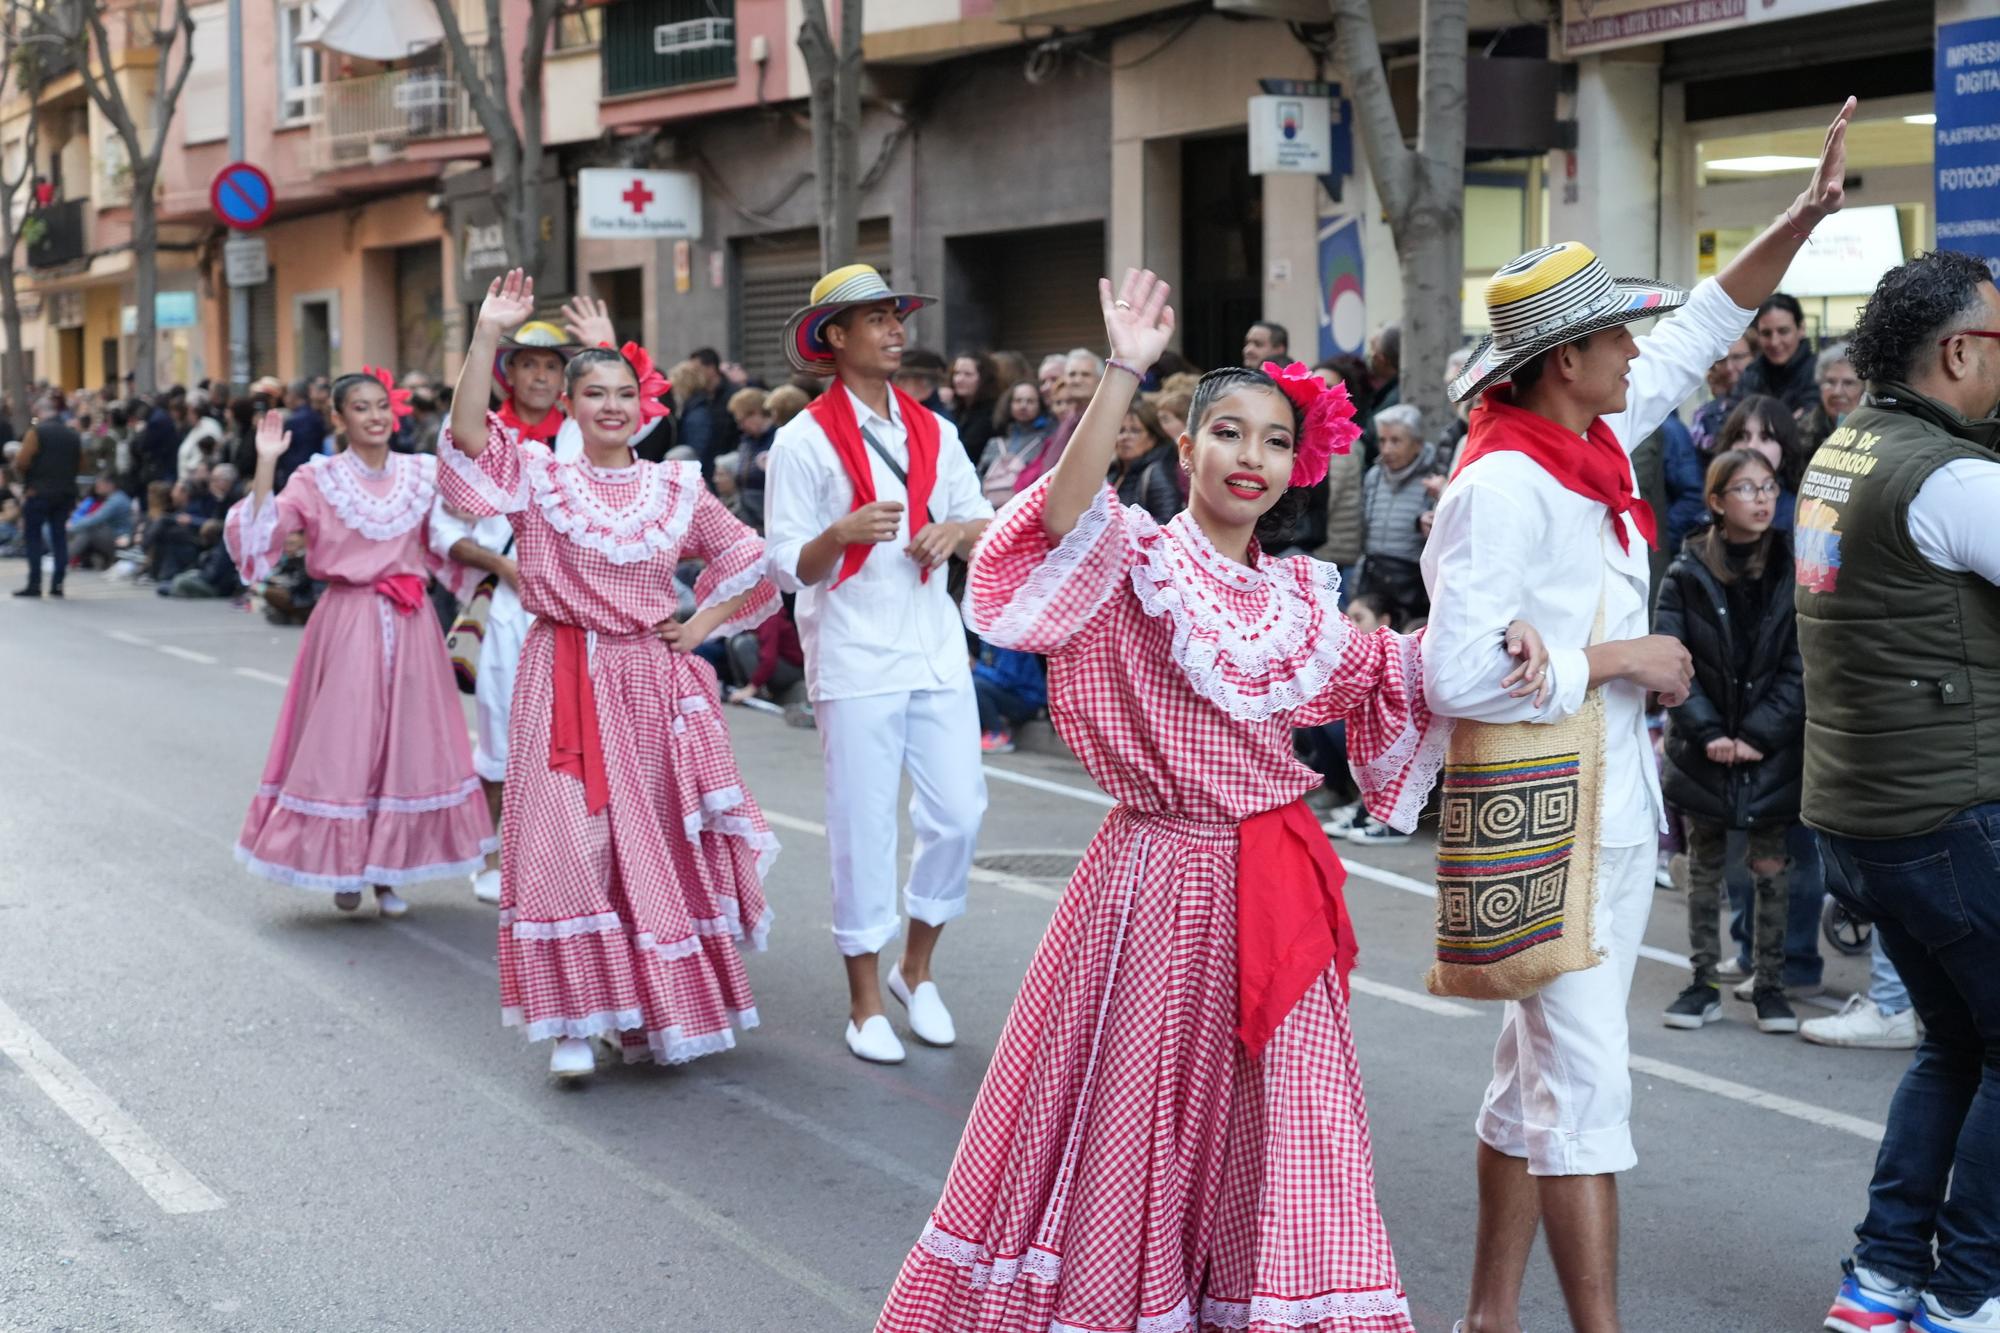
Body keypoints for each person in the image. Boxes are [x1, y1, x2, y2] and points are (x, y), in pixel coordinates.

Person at [880, 270, 1547, 1333]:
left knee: (1287, 1127)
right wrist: (1124, 369)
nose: (1251, 456)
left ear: (1298, 464)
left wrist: (1511, 637)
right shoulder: (1132, 562)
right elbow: (1054, 517)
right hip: (1151, 886)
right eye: (1226, 434)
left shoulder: (1297, 602)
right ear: (1183, 452)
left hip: (1273, 889)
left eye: (1274, 440)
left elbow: (1398, 677)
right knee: (1133, 1122)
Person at [1421, 97, 1852, 1333]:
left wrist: (1805, 213)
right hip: (1542, 813)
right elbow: (1450, 673)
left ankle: (1489, 1317)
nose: (1635, 349)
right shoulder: (1503, 483)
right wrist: (1617, 654)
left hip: (1600, 808)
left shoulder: (1587, 438)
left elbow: (1710, 322)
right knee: (1583, 1091)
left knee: (1536, 1082)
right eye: (1616, 333)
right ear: (1565, 358)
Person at [442, 269, 780, 1081]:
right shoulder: (539, 475)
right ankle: (570, 1021)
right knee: (565, 841)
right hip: (561, 675)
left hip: (649, 682)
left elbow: (747, 557)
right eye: (592, 392)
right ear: (568, 404)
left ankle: (652, 1013)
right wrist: (487, 334)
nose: (610, 406)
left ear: (645, 403)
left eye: (624, 392)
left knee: (649, 847)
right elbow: (463, 448)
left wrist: (697, 625)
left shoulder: (675, 486)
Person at [1793, 247, 2000, 1333]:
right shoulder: (1950, 479)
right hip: (1949, 803)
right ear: (1960, 349)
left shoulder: (1846, 445)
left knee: (1954, 1044)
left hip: (1865, 806)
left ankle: (1876, 1280)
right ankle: (1964, 1293)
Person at [764, 263, 994, 1066]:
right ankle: (864, 1001)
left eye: (898, 316)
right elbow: (788, 563)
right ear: (834, 337)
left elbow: (982, 515)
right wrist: (843, 533)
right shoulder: (798, 442)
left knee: (959, 813)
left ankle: (914, 969)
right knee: (864, 826)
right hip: (855, 651)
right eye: (877, 319)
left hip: (933, 643)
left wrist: (953, 533)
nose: (897, 329)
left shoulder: (934, 429)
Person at [224, 371, 494, 916]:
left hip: (412, 621)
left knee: (406, 746)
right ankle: (343, 867)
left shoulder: (422, 473)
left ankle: (388, 876)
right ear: (339, 418)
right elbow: (262, 533)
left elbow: (460, 521)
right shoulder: (318, 477)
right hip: (347, 620)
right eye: (361, 408)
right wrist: (266, 463)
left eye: (381, 407)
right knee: (345, 743)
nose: (375, 417)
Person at [1655, 448, 1805, 1035]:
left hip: (1772, 747)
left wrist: (1760, 734)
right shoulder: (1687, 570)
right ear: (1716, 501)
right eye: (1746, 489)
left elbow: (1802, 663)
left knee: (1771, 865)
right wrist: (1711, 732)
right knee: (1704, 868)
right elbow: (1672, 656)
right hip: (1704, 748)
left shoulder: (1793, 564)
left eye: (1769, 486)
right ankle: (1702, 982)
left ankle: (1770, 985)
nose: (1763, 499)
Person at [1356, 402, 1441, 625]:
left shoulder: (1434, 479)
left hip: (1412, 581)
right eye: (1382, 440)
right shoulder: (1374, 476)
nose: (1386, 449)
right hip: (1375, 574)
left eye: (1395, 441)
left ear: (1417, 444)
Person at [10, 403, 83, 598]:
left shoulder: (36, 432)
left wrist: (27, 478)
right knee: (59, 537)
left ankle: (35, 583)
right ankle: (57, 584)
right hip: (65, 493)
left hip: (38, 492)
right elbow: (80, 464)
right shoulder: (73, 435)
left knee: (33, 538)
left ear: (40, 414)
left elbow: (22, 461)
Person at [1716, 394, 1804, 530]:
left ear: (1785, 448)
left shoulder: (1801, 519)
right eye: (1742, 437)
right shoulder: (1711, 512)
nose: (1752, 446)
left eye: (1766, 437)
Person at [1738, 292, 1820, 413]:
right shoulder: (1751, 374)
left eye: (1783, 331)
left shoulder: (1821, 374)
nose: (1774, 342)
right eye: (1766, 333)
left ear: (1801, 329)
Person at [1106, 393, 1180, 523]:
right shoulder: (1112, 471)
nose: (1125, 437)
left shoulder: (1157, 473)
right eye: (1121, 430)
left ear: (1153, 437)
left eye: (1135, 431)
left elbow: (1168, 525)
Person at [977, 380, 1050, 508]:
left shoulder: (1045, 441)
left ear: (1040, 405)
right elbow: (979, 475)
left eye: (1030, 401)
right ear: (1009, 404)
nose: (1023, 406)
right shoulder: (995, 443)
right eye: (1018, 400)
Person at [970, 642, 1044, 754]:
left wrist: (976, 666)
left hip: (1027, 701)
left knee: (977, 685)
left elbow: (1007, 681)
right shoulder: (987, 641)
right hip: (1010, 695)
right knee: (970, 681)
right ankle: (979, 731)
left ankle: (998, 735)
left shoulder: (1008, 642)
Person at [1689, 334, 1755, 453]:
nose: (1729, 367)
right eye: (1722, 360)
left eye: (1738, 357)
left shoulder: (1770, 397)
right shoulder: (1705, 414)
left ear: (1754, 357)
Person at [726, 387, 776, 531]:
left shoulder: (776, 439)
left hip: (767, 515)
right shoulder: (747, 441)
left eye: (742, 420)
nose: (741, 427)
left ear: (756, 413)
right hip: (749, 515)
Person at [1798, 341, 1861, 453]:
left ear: (1864, 389)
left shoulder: (1876, 434)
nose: (1837, 392)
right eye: (1830, 382)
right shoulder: (1801, 433)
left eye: (1848, 383)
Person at [66, 472, 134, 569]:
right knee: (85, 529)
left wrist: (72, 527)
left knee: (88, 531)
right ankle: (79, 561)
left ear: (110, 485)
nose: (96, 487)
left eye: (99, 484)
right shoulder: (114, 497)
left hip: (120, 541)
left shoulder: (116, 501)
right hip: (113, 536)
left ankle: (62, 560)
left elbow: (96, 518)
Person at [949, 351, 998, 466]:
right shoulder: (956, 408)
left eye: (968, 374)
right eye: (957, 373)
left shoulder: (992, 412)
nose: (959, 379)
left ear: (983, 378)